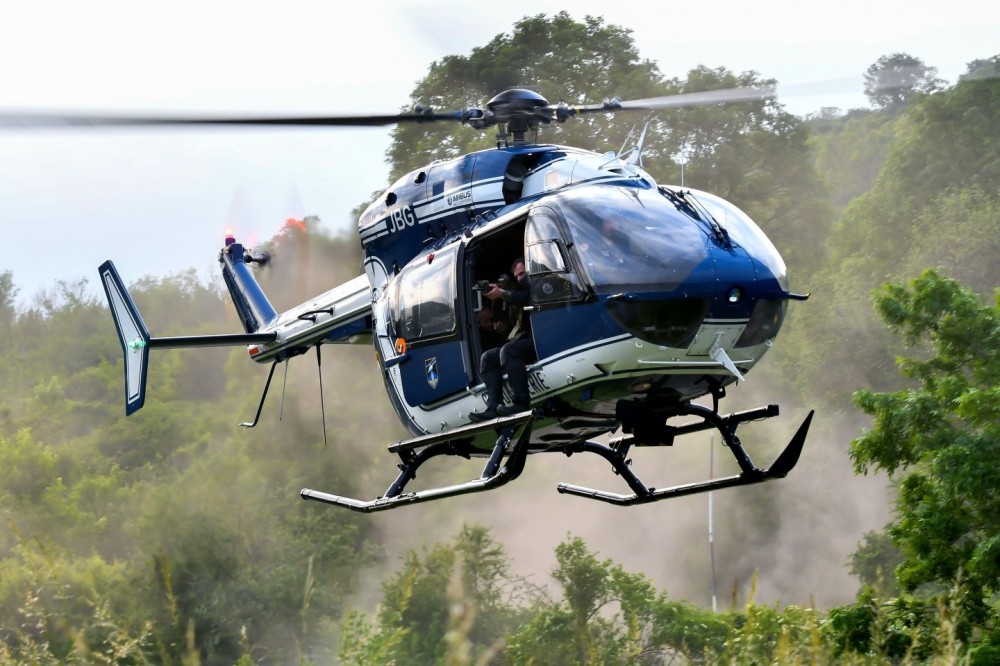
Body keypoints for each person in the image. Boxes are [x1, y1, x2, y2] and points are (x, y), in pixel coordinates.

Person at [469, 258, 535, 421]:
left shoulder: (536, 287)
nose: (521, 278)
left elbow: (524, 298)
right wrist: (497, 297)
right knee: (487, 357)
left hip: (540, 339)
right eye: (517, 275)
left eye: (523, 274)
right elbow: (499, 319)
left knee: (509, 350)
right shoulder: (510, 295)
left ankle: (521, 403)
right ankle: (493, 408)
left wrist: (502, 293)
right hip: (522, 341)